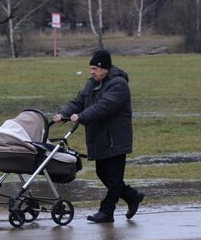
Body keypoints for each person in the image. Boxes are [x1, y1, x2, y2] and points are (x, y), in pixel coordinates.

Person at [53, 49, 144, 223]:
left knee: (115, 178)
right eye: (91, 69)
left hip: (116, 139)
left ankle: (106, 211)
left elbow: (104, 106)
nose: (92, 72)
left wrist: (81, 116)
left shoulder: (119, 85)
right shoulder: (92, 84)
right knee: (103, 173)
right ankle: (132, 196)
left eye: (95, 68)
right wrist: (63, 113)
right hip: (101, 138)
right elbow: (79, 101)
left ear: (105, 69)